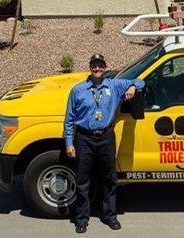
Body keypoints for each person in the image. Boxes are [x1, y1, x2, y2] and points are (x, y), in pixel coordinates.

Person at [64, 53, 145, 234]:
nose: (97, 69)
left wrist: (132, 86)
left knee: (109, 178)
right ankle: (82, 219)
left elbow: (142, 81)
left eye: (100, 65)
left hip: (106, 137)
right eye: (94, 65)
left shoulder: (114, 85)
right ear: (90, 67)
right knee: (83, 180)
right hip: (84, 138)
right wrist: (69, 143)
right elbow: (69, 119)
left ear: (105, 67)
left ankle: (110, 215)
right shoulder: (78, 90)